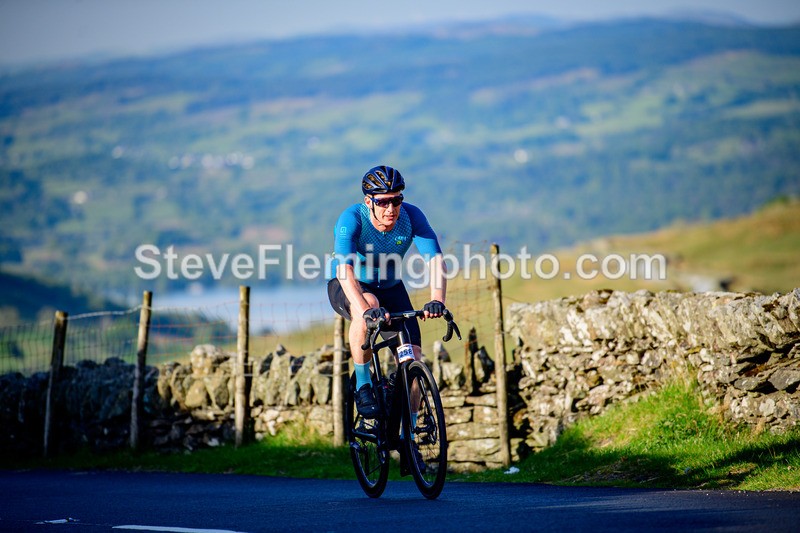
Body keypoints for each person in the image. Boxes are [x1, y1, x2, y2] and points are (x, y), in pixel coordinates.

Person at [327, 165, 447, 420]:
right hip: (351, 285)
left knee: (412, 364)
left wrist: (437, 299)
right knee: (368, 302)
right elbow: (344, 272)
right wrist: (366, 311)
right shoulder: (352, 219)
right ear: (368, 201)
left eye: (396, 200)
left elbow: (435, 261)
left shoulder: (411, 216)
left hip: (391, 288)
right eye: (383, 202)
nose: (390, 209)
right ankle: (363, 385)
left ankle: (410, 439)